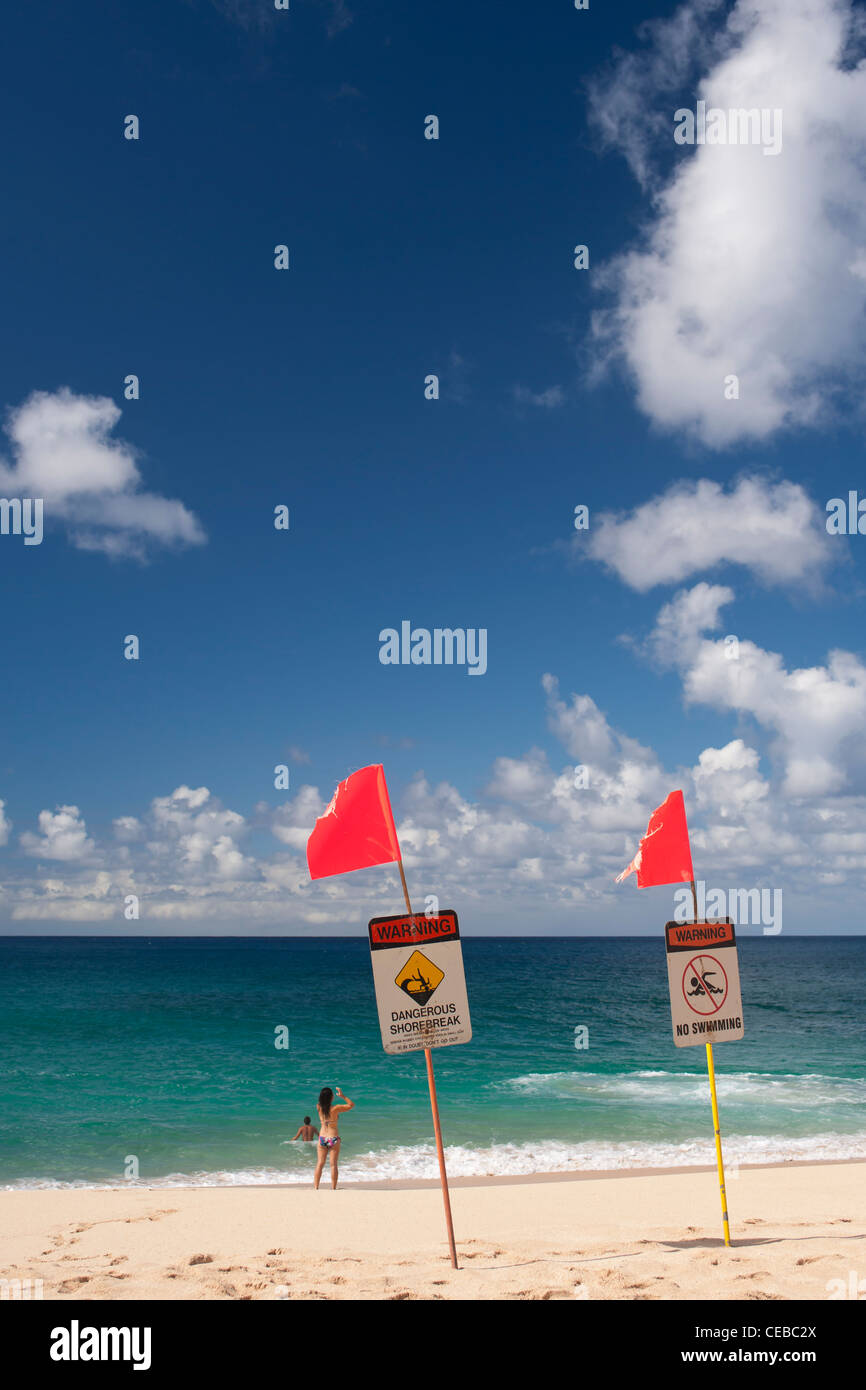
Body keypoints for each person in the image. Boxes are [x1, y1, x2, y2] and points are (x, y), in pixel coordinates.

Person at [313, 1085, 354, 1190]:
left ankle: (316, 1187)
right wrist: (342, 1095)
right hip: (333, 1138)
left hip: (322, 1138)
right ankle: (333, 1188)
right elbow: (351, 1105)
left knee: (320, 1163)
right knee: (333, 1165)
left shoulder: (318, 1107)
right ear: (331, 1097)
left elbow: (322, 1104)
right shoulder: (336, 1108)